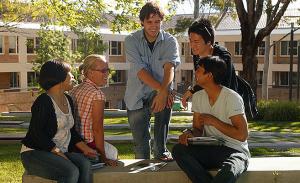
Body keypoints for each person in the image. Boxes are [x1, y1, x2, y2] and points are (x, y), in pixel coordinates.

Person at [172, 56, 250, 183]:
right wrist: (189, 134)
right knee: (178, 150)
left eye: (199, 69)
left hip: (235, 151)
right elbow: (197, 129)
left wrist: (214, 122)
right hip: (211, 149)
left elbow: (242, 135)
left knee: (229, 170)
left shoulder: (231, 98)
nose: (195, 72)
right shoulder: (197, 97)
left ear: (209, 75)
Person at [21, 60, 96, 183]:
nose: (72, 76)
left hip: (59, 151)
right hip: (35, 154)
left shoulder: (68, 100)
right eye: (69, 73)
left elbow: (70, 130)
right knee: (70, 171)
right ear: (59, 77)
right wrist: (58, 152)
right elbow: (36, 133)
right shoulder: (43, 101)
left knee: (85, 164)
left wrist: (86, 149)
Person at [124, 2, 180, 161]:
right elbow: (140, 72)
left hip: (161, 91)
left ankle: (161, 152)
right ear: (142, 22)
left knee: (159, 149)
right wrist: (162, 91)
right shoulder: (131, 40)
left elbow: (170, 68)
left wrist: (163, 93)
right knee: (141, 149)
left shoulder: (170, 41)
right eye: (149, 22)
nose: (154, 26)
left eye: (157, 22)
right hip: (136, 96)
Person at [70, 54, 118, 166]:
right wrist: (103, 157)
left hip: (73, 143)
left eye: (108, 70)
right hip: (88, 144)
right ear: (90, 72)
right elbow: (97, 129)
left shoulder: (74, 90)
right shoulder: (97, 95)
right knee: (113, 153)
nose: (107, 74)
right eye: (103, 71)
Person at [181, 18, 238, 108]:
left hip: (228, 104)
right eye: (190, 41)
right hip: (209, 102)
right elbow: (201, 79)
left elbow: (219, 84)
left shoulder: (223, 56)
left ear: (208, 41)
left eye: (196, 42)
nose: (192, 46)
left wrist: (192, 91)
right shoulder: (197, 54)